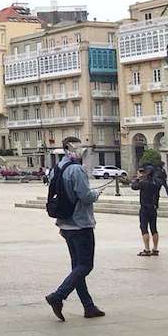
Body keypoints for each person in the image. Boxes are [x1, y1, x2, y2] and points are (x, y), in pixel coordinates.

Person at [44, 137, 106, 321]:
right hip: (81, 223)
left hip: (65, 223)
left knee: (77, 267)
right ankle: (58, 296)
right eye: (79, 148)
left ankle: (89, 307)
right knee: (85, 265)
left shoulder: (57, 168)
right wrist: (96, 194)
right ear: (70, 149)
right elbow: (85, 196)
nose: (81, 151)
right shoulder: (76, 169)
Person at [131, 165, 161, 256]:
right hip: (153, 208)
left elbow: (134, 186)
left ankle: (147, 249)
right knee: (154, 228)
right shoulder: (157, 183)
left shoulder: (144, 183)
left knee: (144, 228)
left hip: (145, 208)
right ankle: (155, 248)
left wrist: (138, 178)